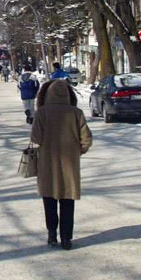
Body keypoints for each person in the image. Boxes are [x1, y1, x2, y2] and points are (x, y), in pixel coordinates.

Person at [31, 79, 92, 250]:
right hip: (70, 165)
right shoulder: (76, 113)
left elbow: (35, 138)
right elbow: (86, 139)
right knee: (68, 202)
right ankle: (66, 238)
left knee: (49, 201)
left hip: (47, 164)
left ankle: (52, 234)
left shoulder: (41, 113)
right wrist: (78, 151)